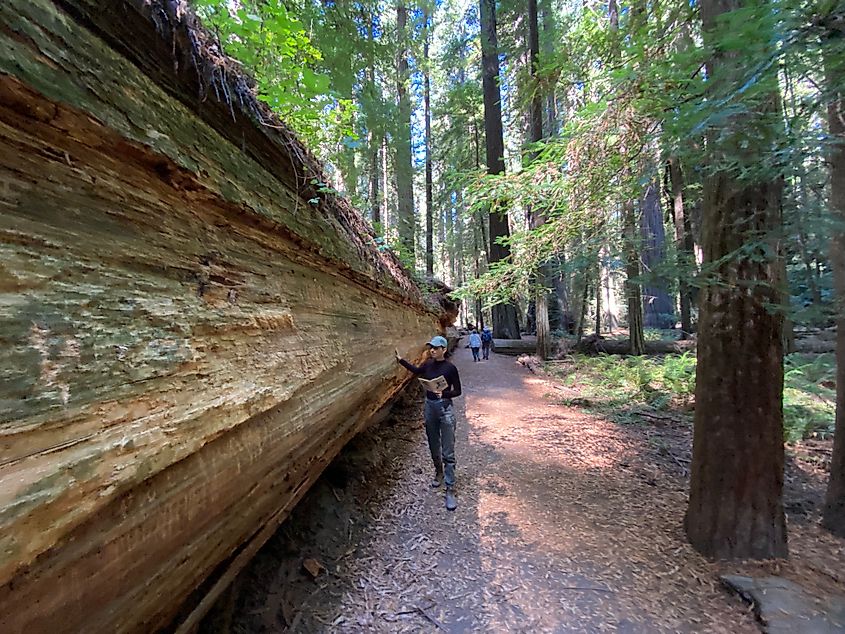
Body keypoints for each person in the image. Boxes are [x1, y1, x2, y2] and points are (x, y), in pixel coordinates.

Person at [395, 336, 462, 511]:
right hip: (430, 407)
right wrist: (401, 360)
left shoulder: (450, 368)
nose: (432, 350)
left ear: (444, 350)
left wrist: (444, 394)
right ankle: (438, 473)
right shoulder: (428, 364)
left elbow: (458, 391)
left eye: (436, 348)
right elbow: (417, 371)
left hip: (445, 408)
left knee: (448, 449)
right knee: (433, 444)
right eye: (431, 347)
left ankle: (450, 488)